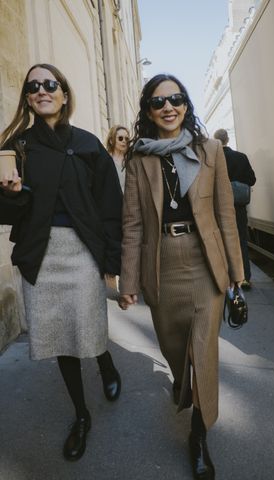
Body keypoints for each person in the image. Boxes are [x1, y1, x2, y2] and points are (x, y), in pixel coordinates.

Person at [118, 74, 244, 480]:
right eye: (158, 102)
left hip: (205, 263)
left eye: (175, 99)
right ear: (149, 111)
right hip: (162, 264)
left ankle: (199, 435)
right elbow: (133, 225)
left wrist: (236, 275)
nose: (168, 107)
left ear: (186, 105)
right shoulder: (139, 160)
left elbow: (226, 215)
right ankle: (181, 384)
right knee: (177, 353)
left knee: (203, 352)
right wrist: (129, 282)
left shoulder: (210, 151)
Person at [0, 64, 123, 461]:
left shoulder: (89, 145)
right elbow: (6, 214)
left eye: (49, 84)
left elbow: (110, 206)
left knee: (88, 323)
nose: (42, 91)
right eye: (33, 86)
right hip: (40, 254)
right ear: (28, 97)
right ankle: (81, 415)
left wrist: (112, 258)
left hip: (82, 250)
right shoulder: (15, 147)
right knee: (59, 335)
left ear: (64, 94)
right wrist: (13, 193)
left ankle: (105, 363)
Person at [214, 128, 256, 290]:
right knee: (241, 242)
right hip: (238, 208)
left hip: (218, 207)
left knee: (220, 242)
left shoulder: (213, 158)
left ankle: (225, 278)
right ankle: (244, 277)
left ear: (216, 141)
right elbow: (252, 180)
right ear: (228, 140)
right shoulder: (241, 157)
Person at [105, 125, 130, 191]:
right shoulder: (105, 160)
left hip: (129, 199)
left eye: (126, 139)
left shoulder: (131, 159)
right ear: (111, 141)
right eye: (120, 138)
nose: (124, 141)